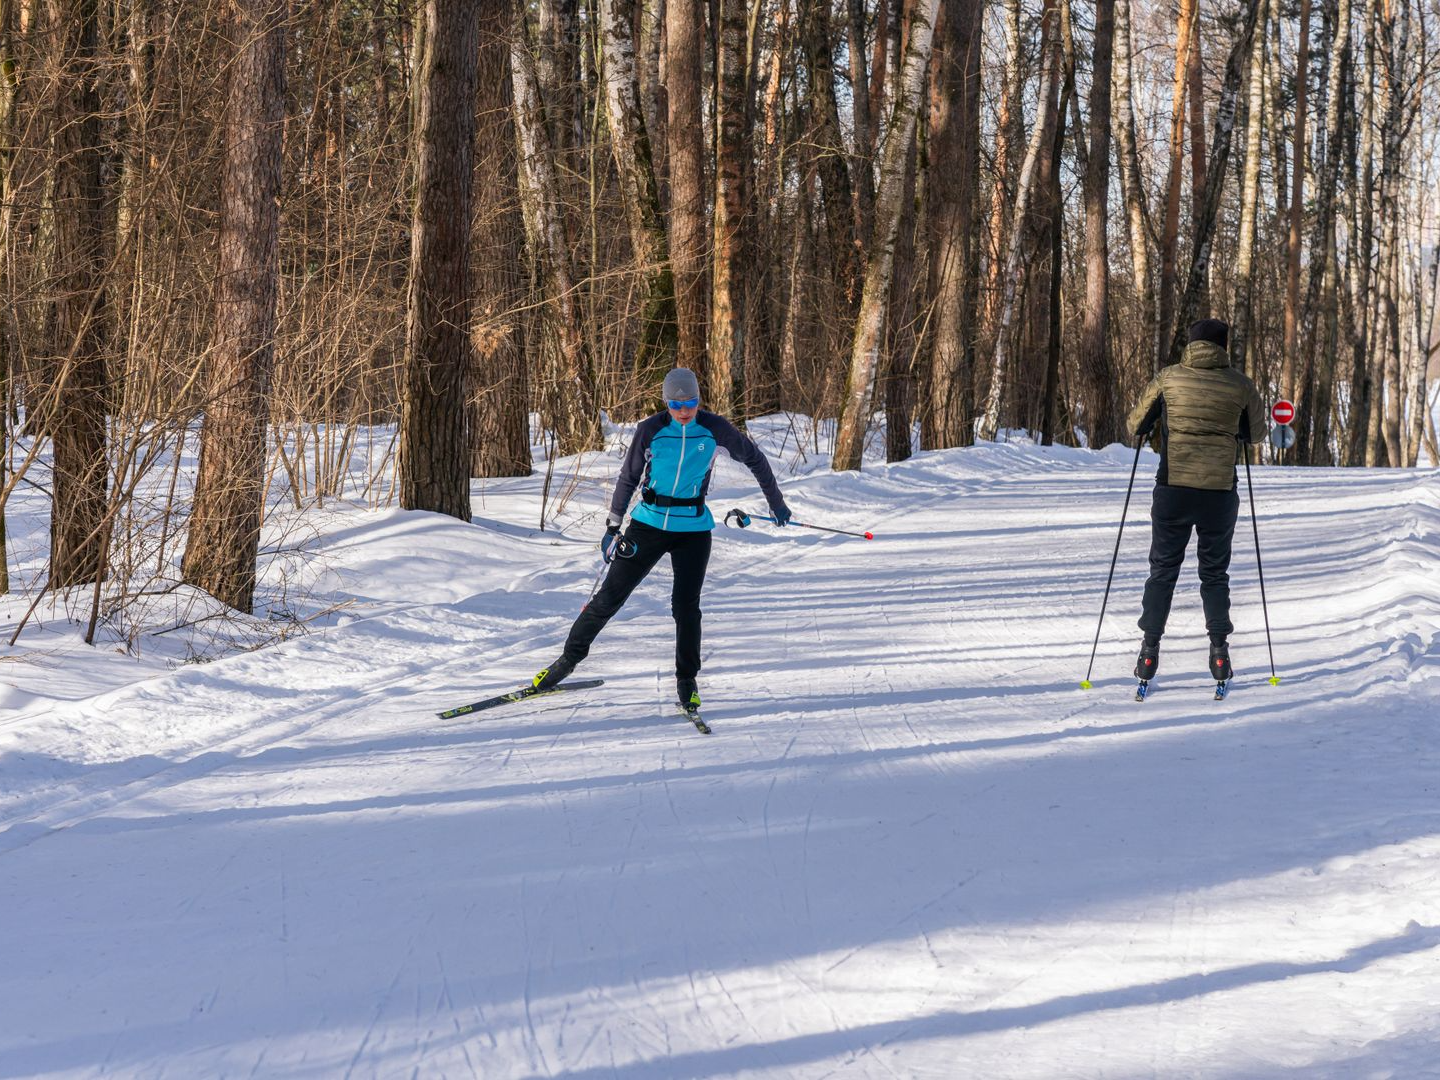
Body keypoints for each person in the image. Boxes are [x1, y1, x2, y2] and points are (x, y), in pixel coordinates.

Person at [532, 367, 792, 711]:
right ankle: (567, 660)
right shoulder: (650, 430)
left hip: (693, 530)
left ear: (699, 400)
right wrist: (612, 526)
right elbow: (628, 477)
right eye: (675, 404)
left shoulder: (715, 429)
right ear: (665, 402)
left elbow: (756, 459)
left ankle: (687, 679)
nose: (684, 411)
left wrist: (776, 503)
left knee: (686, 608)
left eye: (691, 403)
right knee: (609, 597)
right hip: (648, 524)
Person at [1126, 318, 1266, 685]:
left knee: (1162, 571)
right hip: (1219, 494)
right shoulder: (1241, 385)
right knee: (1215, 573)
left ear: (1190, 344)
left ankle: (1148, 652)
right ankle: (1219, 653)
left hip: (1173, 488)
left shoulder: (1168, 378)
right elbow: (1256, 435)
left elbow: (1136, 425)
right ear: (1223, 346)